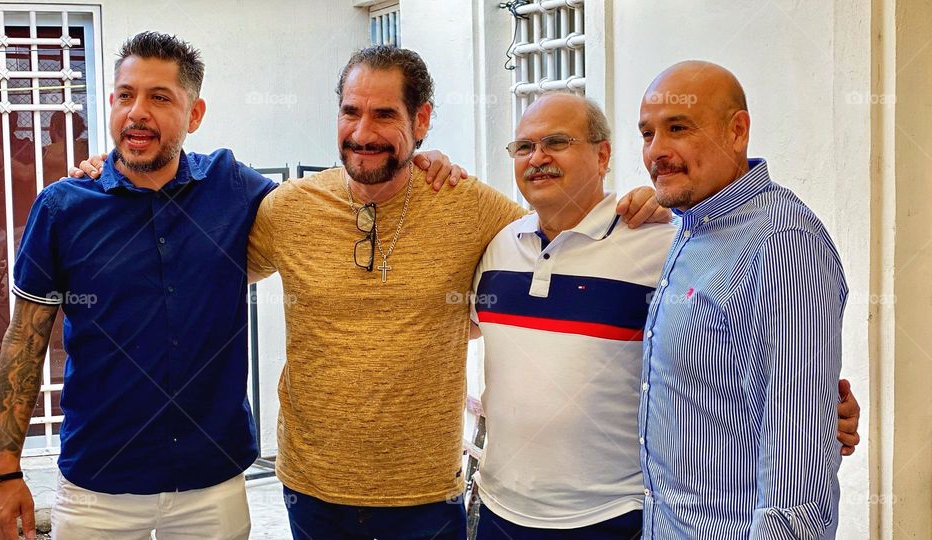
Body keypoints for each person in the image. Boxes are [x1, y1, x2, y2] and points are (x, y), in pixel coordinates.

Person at [0, 32, 463, 540]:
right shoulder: (63, 208)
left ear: (195, 115)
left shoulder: (231, 186)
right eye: (126, 95)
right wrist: (6, 470)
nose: (137, 112)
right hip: (97, 488)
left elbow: (331, 204)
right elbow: (25, 340)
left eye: (159, 97)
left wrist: (416, 163)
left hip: (211, 485)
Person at [245, 46, 671, 539]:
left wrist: (647, 205)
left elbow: (561, 234)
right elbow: (215, 275)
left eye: (385, 114)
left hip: (426, 497)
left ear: (420, 119)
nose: (363, 133)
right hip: (310, 491)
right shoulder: (288, 210)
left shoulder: (471, 207)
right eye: (350, 112)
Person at [469, 92, 861, 539]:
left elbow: (753, 357)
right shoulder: (498, 247)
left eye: (556, 142)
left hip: (618, 517)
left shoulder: (666, 243)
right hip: (500, 511)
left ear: (602, 156)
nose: (537, 158)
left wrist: (819, 412)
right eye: (523, 147)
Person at [637, 61, 848, 538]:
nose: (657, 151)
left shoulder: (782, 244)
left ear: (737, 131)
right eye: (647, 134)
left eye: (678, 128)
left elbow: (800, 459)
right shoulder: (691, 227)